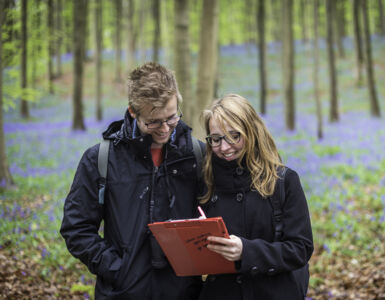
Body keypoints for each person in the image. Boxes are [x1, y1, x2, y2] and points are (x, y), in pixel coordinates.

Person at [60, 62, 204, 299]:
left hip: (183, 293)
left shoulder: (197, 156)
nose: (165, 129)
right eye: (154, 122)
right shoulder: (100, 159)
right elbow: (76, 228)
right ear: (133, 112)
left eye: (171, 117)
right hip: (122, 292)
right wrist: (117, 270)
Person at [198, 94, 314, 300]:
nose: (224, 148)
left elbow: (300, 249)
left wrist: (246, 251)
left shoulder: (283, 181)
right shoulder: (206, 182)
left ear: (252, 132)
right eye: (216, 139)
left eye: (234, 136)